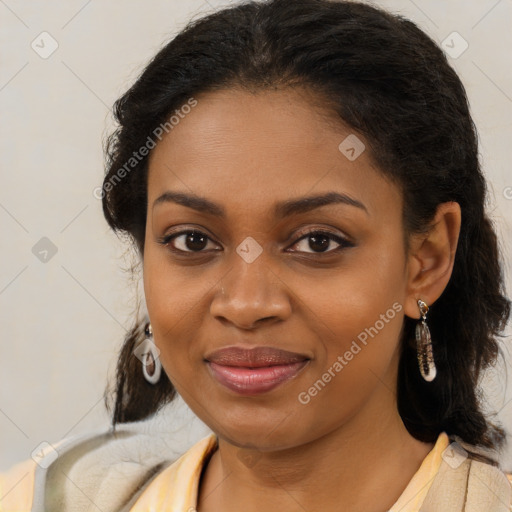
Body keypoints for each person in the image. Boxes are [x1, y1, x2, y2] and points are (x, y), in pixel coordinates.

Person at [1, 0, 512, 510]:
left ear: (426, 260)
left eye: (318, 242)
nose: (246, 304)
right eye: (192, 240)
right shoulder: (41, 500)